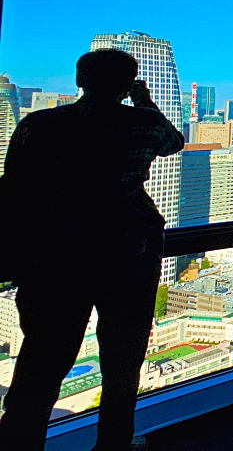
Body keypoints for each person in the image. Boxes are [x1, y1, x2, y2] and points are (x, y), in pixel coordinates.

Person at [0, 49, 184, 451]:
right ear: (127, 83)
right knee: (122, 364)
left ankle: (17, 443)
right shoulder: (144, 123)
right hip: (127, 253)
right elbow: (175, 143)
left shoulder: (40, 124)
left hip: (54, 258)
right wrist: (143, 99)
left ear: (79, 80)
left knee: (40, 365)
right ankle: (114, 445)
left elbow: (13, 188)